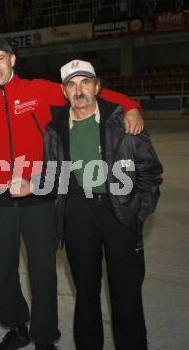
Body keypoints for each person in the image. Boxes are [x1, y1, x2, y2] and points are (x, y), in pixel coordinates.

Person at [0, 37, 145, 350]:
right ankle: (17, 325)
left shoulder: (40, 90)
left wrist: (132, 106)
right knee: (3, 268)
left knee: (42, 269)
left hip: (40, 194)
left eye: (0, 59)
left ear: (12, 60)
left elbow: (89, 96)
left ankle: (45, 336)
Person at [42, 59, 162, 350]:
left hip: (119, 210)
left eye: (85, 82)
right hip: (78, 213)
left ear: (97, 86)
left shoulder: (122, 121)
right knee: (85, 291)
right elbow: (51, 174)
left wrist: (140, 209)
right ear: (64, 91)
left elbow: (149, 170)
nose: (78, 90)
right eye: (71, 84)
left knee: (126, 292)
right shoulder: (54, 128)